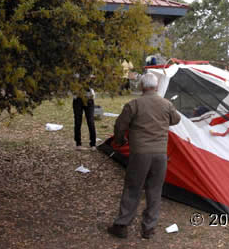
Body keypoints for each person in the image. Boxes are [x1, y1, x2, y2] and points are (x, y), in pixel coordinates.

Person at [108, 73, 181, 240]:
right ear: (156, 87)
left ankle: (122, 225)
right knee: (155, 191)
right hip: (160, 155)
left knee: (133, 188)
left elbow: (120, 125)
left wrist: (119, 141)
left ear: (141, 86)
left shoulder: (133, 104)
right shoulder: (166, 104)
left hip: (140, 154)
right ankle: (148, 229)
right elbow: (176, 119)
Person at [72, 75, 97, 151]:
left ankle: (93, 144)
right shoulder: (74, 70)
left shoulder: (91, 69)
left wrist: (92, 77)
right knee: (77, 121)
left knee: (90, 121)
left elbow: (96, 79)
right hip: (77, 99)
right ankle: (78, 144)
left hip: (89, 99)